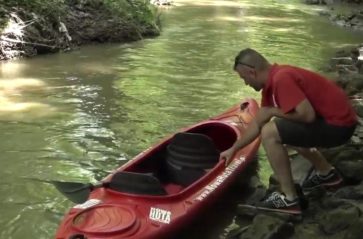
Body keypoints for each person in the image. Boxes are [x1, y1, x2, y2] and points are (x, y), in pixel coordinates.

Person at [220, 48, 357, 214]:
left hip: (339, 126)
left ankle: (290, 199)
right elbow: (257, 123)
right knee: (283, 126)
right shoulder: (273, 82)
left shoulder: (282, 79)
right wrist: (233, 149)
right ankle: (327, 174)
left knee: (270, 132)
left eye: (244, 78)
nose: (245, 83)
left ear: (252, 72)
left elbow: (306, 115)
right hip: (338, 122)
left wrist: (272, 112)